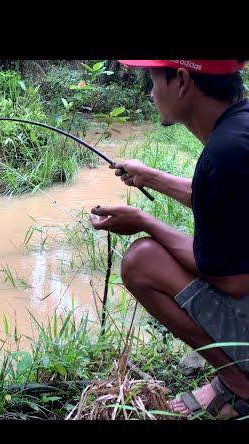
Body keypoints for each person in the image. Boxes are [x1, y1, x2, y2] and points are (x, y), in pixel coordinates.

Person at [89, 60, 249, 418]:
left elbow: (233, 281)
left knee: (142, 261)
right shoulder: (240, 131)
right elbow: (221, 198)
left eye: (152, 79)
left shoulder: (223, 155)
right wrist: (151, 177)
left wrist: (144, 221)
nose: (150, 92)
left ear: (181, 80)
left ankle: (241, 384)